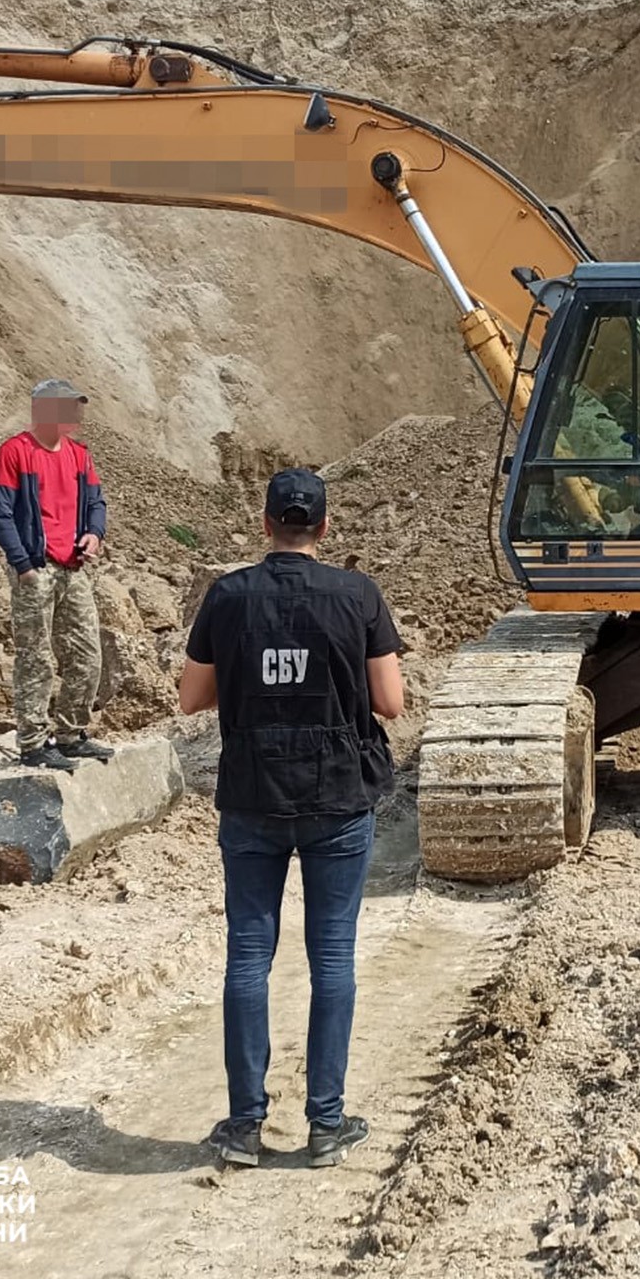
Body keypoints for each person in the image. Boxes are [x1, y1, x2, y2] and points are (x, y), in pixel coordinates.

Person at [177, 468, 406, 1170]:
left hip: (253, 794)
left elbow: (191, 698)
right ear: (325, 528)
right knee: (331, 955)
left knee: (249, 955)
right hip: (337, 796)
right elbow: (391, 702)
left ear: (266, 524)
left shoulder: (228, 596)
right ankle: (326, 1125)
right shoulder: (358, 595)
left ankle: (244, 1125)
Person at [0, 378, 113, 771]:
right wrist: (23, 565)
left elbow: (96, 502)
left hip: (73, 568)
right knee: (36, 657)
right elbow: (0, 514)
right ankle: (33, 743)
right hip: (36, 568)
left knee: (87, 655)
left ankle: (71, 735)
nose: (75, 415)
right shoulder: (15, 452)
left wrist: (94, 534)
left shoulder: (79, 456)